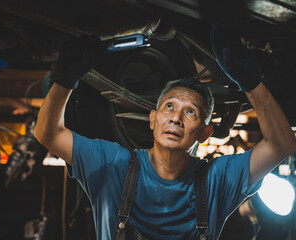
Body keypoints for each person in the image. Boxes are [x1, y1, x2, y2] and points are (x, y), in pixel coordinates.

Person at [34, 29, 296, 240]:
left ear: (205, 133)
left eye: (190, 112)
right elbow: (48, 134)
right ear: (153, 119)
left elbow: (281, 145)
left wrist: (252, 83)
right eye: (169, 106)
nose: (175, 118)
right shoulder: (112, 165)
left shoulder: (217, 180)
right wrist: (63, 82)